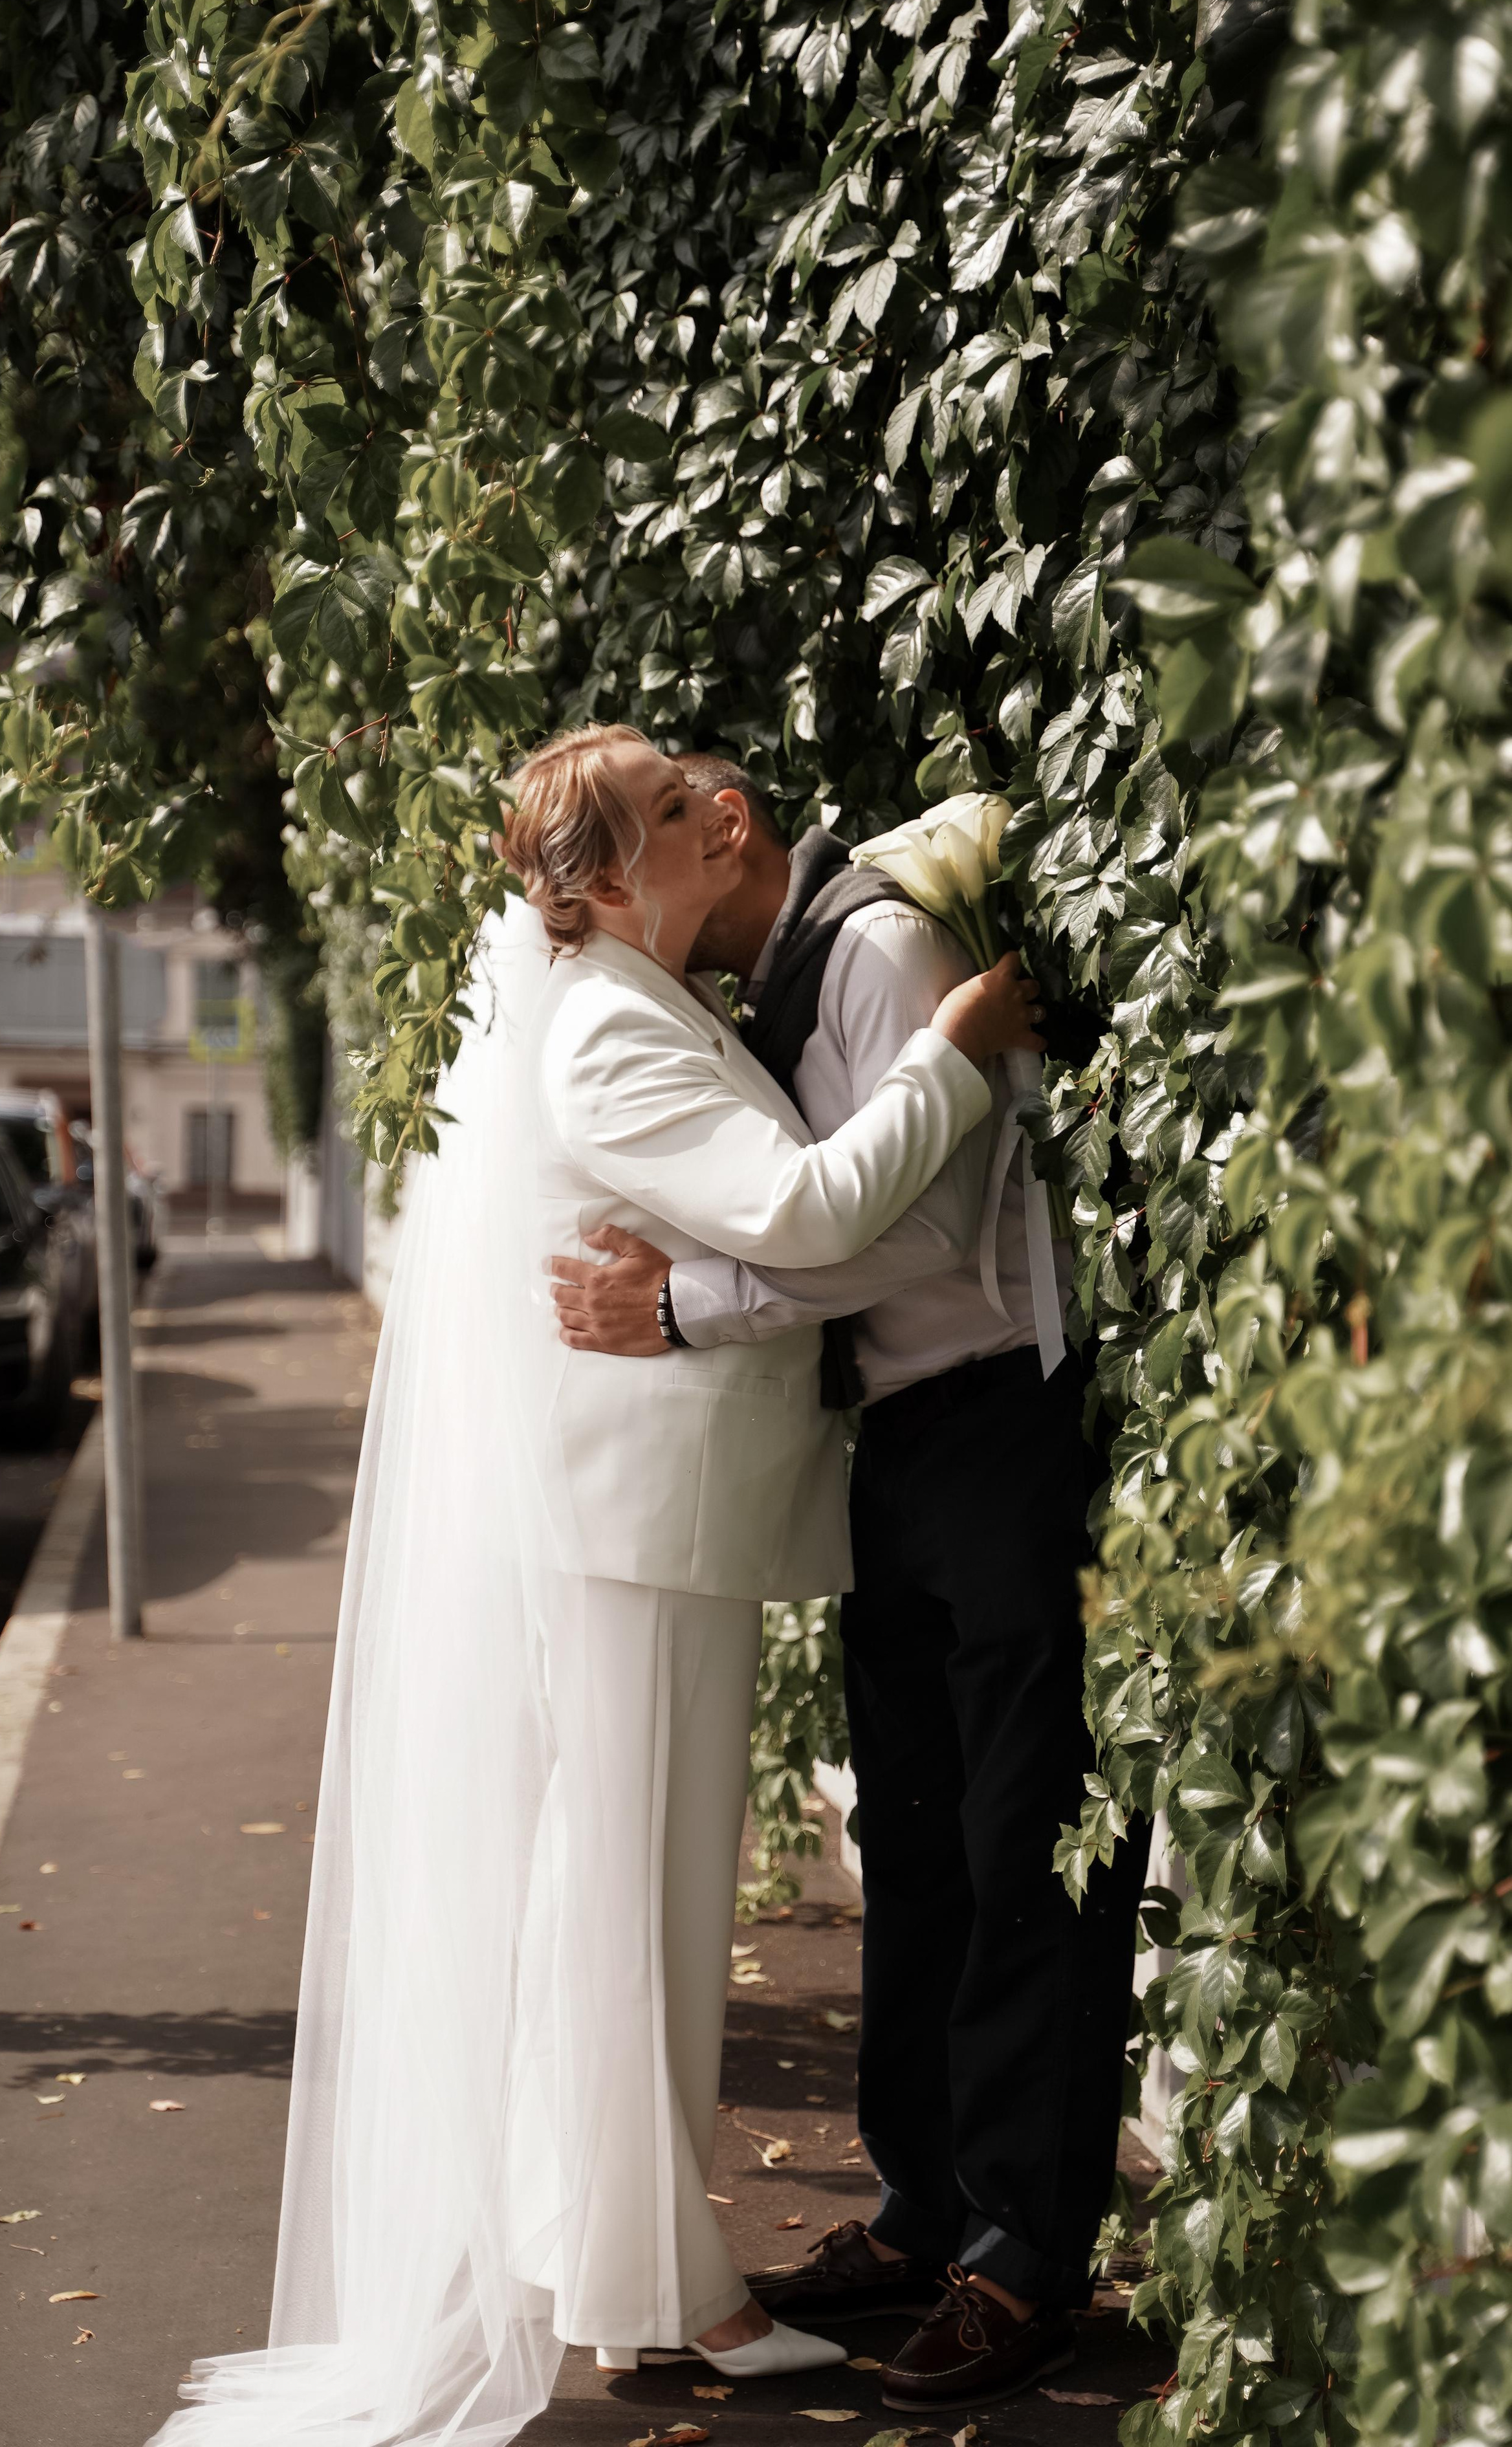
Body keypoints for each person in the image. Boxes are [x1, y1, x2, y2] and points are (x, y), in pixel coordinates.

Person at [146, 724, 1043, 2447]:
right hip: (639, 1530)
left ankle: (621, 2258)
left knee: (624, 1901)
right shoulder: (611, 1034)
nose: (717, 809)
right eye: (667, 805)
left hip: (648, 1521)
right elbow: (800, 1204)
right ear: (621, 873)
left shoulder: (628, 999)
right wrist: (945, 1050)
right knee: (635, 1904)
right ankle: (673, 2294)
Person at [549, 755, 1150, 2419]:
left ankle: (1024, 2259)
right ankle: (923, 2209)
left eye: (670, 818)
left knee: (1024, 1842)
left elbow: (920, 1230)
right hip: (899, 1444)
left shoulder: (873, 950)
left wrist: (692, 1305)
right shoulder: (780, 982)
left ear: (724, 827)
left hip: (1001, 1424)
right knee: (917, 1844)